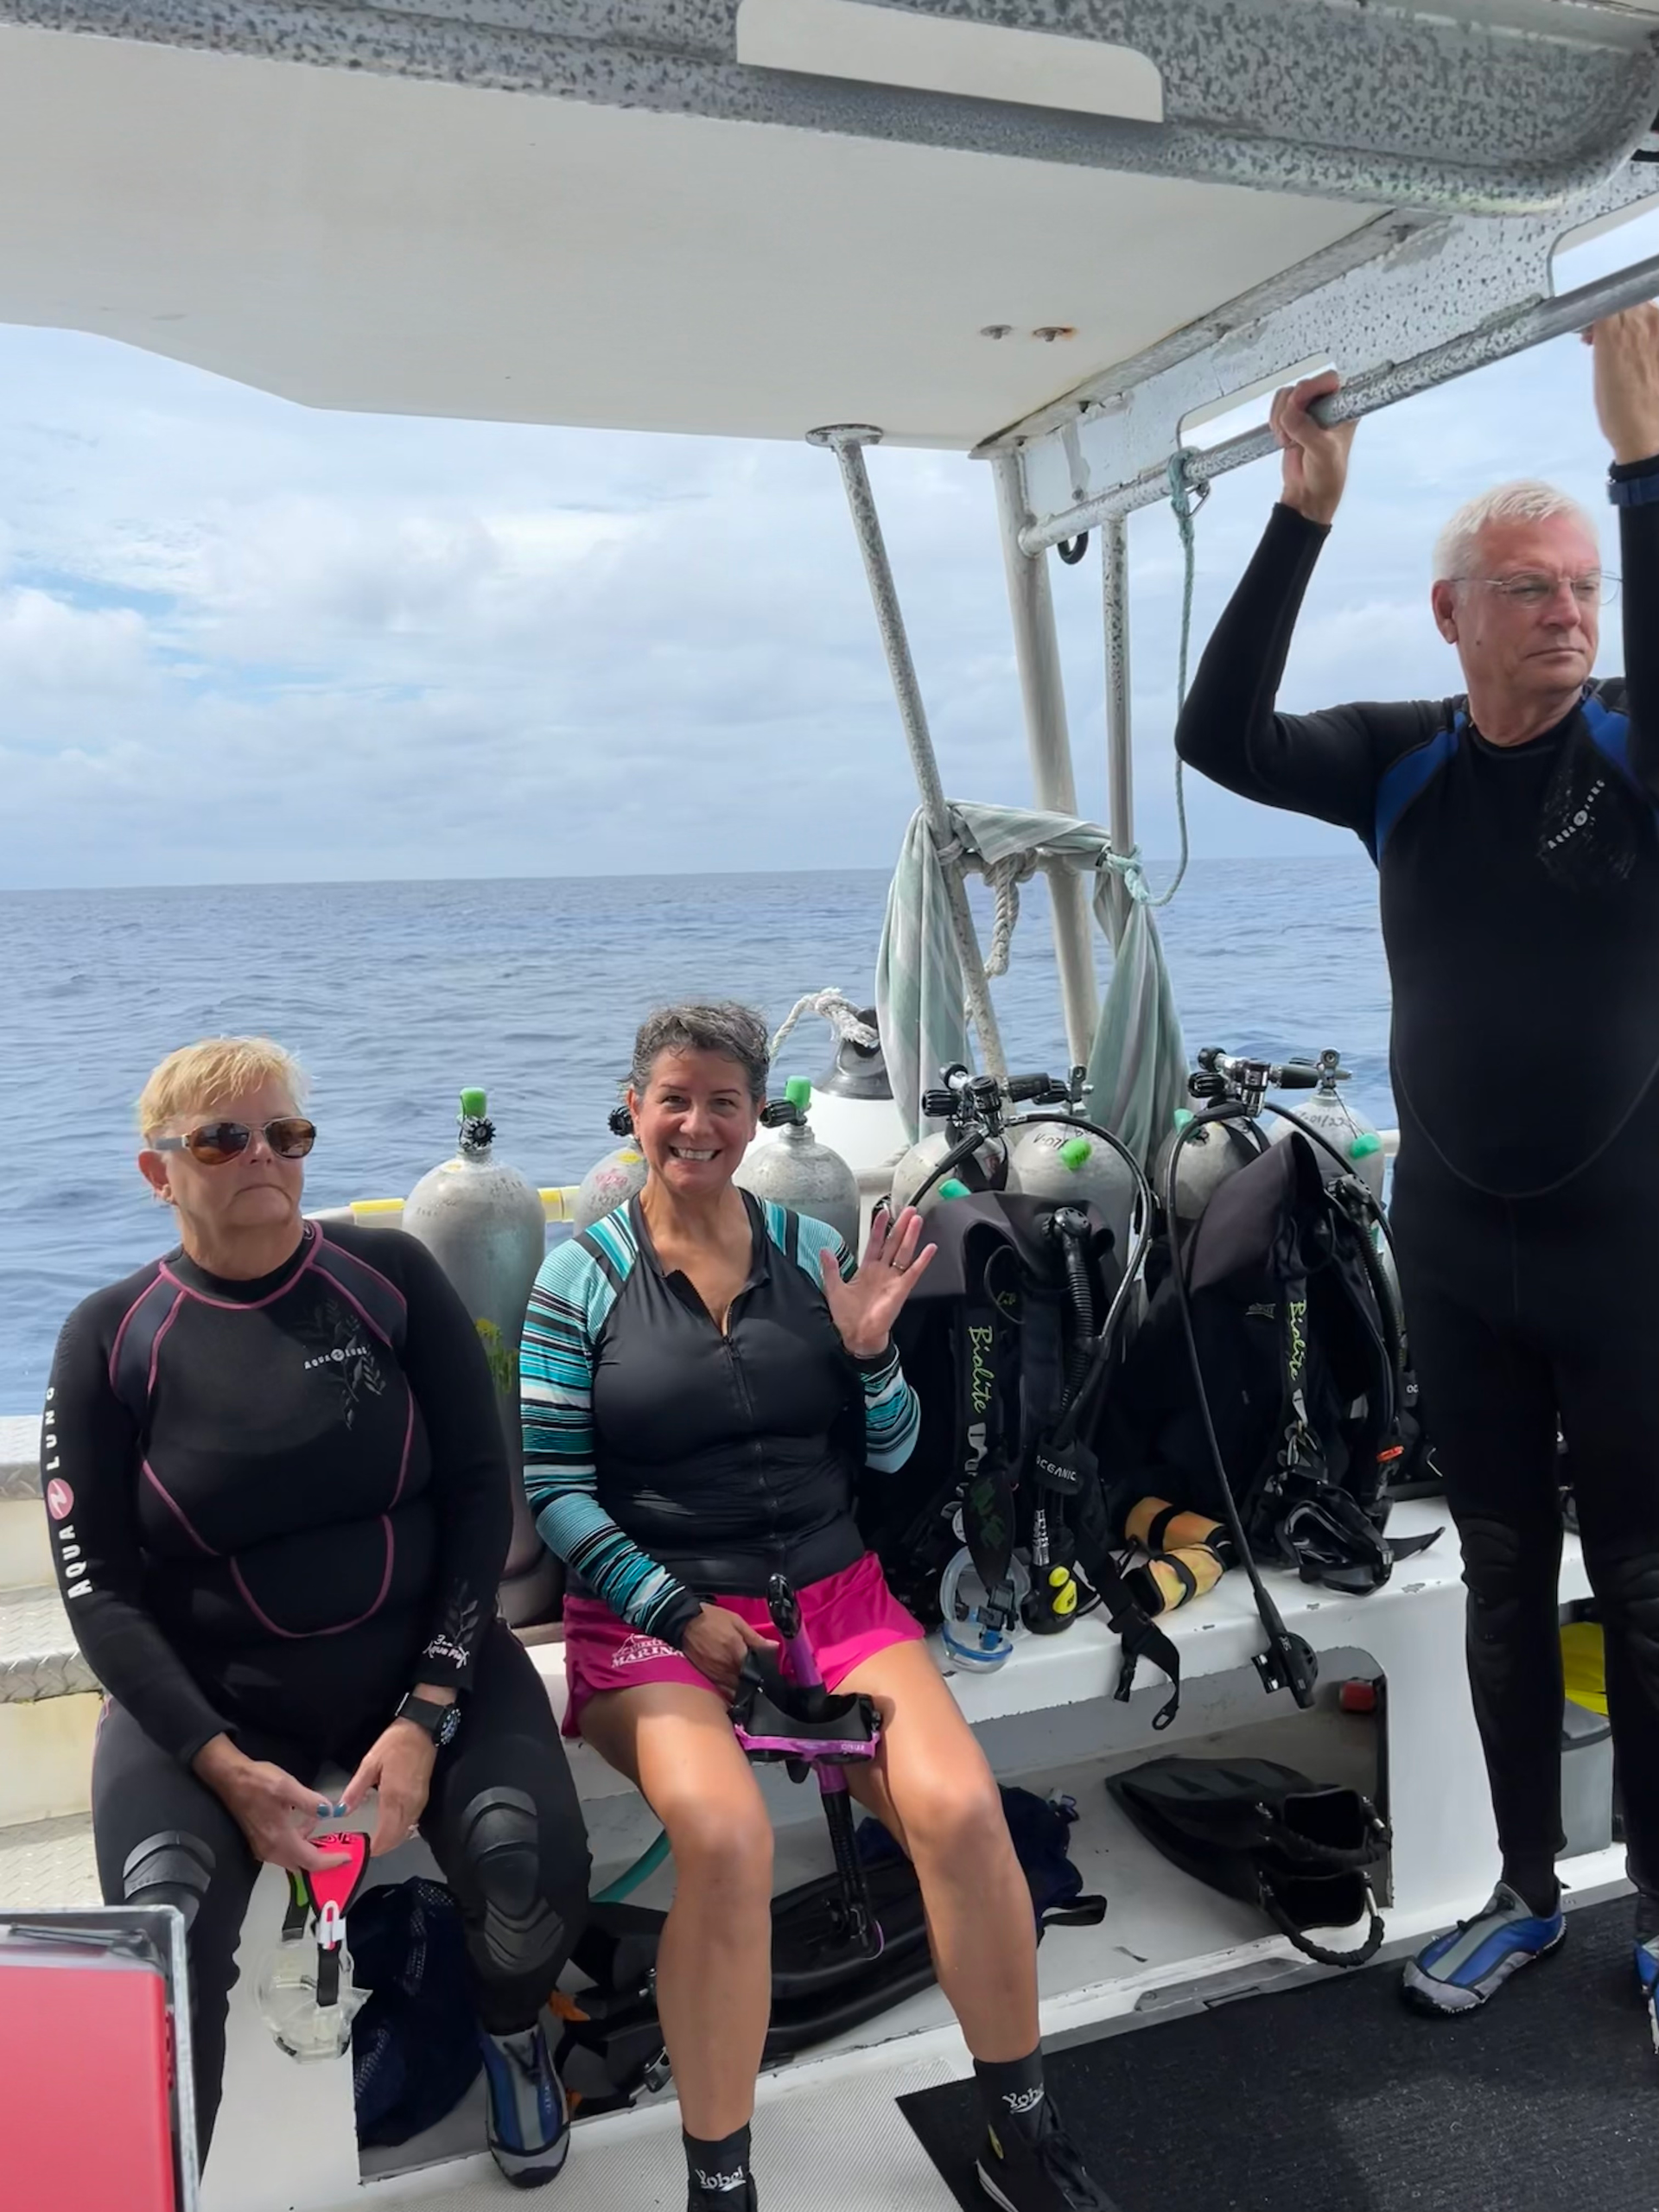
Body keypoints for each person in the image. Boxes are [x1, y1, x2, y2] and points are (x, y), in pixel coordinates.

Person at [1174, 306, 1659, 2021]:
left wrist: (1642, 459)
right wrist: (1303, 509)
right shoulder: (1405, 760)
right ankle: (1525, 1893)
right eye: (1532, 586)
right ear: (1453, 611)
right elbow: (1217, 734)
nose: (1570, 611)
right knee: (1505, 1591)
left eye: (1588, 582)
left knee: (1655, 1597)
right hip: (1458, 1250)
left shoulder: (1633, 747)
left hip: (1631, 1257)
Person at [521, 1001, 1118, 2212]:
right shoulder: (576, 1278)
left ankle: (1017, 2134)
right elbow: (557, 1493)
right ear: (633, 1109)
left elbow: (893, 1458)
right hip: (652, 1620)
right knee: (729, 1842)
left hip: (831, 1598)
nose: (698, 1124)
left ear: (755, 1115)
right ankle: (722, 2184)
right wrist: (680, 1610)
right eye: (673, 1099)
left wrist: (871, 1358)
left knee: (960, 1815)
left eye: (724, 1101)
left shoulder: (807, 1243)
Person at [42, 1036, 591, 2185]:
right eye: (223, 1139)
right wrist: (223, 1763)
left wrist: (428, 1708)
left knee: (523, 1863)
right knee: (164, 1929)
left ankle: (509, 2037)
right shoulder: (110, 1336)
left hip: (421, 1663)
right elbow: (98, 1589)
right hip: (213, 1698)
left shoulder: (387, 1275)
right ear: (159, 1171)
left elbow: (480, 1494)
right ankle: (166, 2179)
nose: (263, 1158)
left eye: (286, 1135)